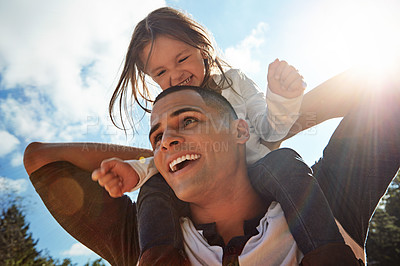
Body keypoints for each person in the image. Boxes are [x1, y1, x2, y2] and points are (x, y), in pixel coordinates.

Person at [24, 80, 400, 265]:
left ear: (238, 131)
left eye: (187, 121)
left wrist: (268, 131)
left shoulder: (319, 198)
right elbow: (40, 159)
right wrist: (152, 163)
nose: (166, 139)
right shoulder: (145, 237)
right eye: (157, 135)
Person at [94, 6, 347, 260]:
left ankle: (327, 252)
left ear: (202, 49)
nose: (175, 75)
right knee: (154, 186)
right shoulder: (168, 109)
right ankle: (158, 259)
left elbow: (269, 131)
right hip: (199, 191)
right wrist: (138, 170)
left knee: (283, 162)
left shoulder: (234, 83)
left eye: (181, 59)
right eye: (160, 72)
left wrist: (282, 99)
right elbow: (173, 154)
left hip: (252, 177)